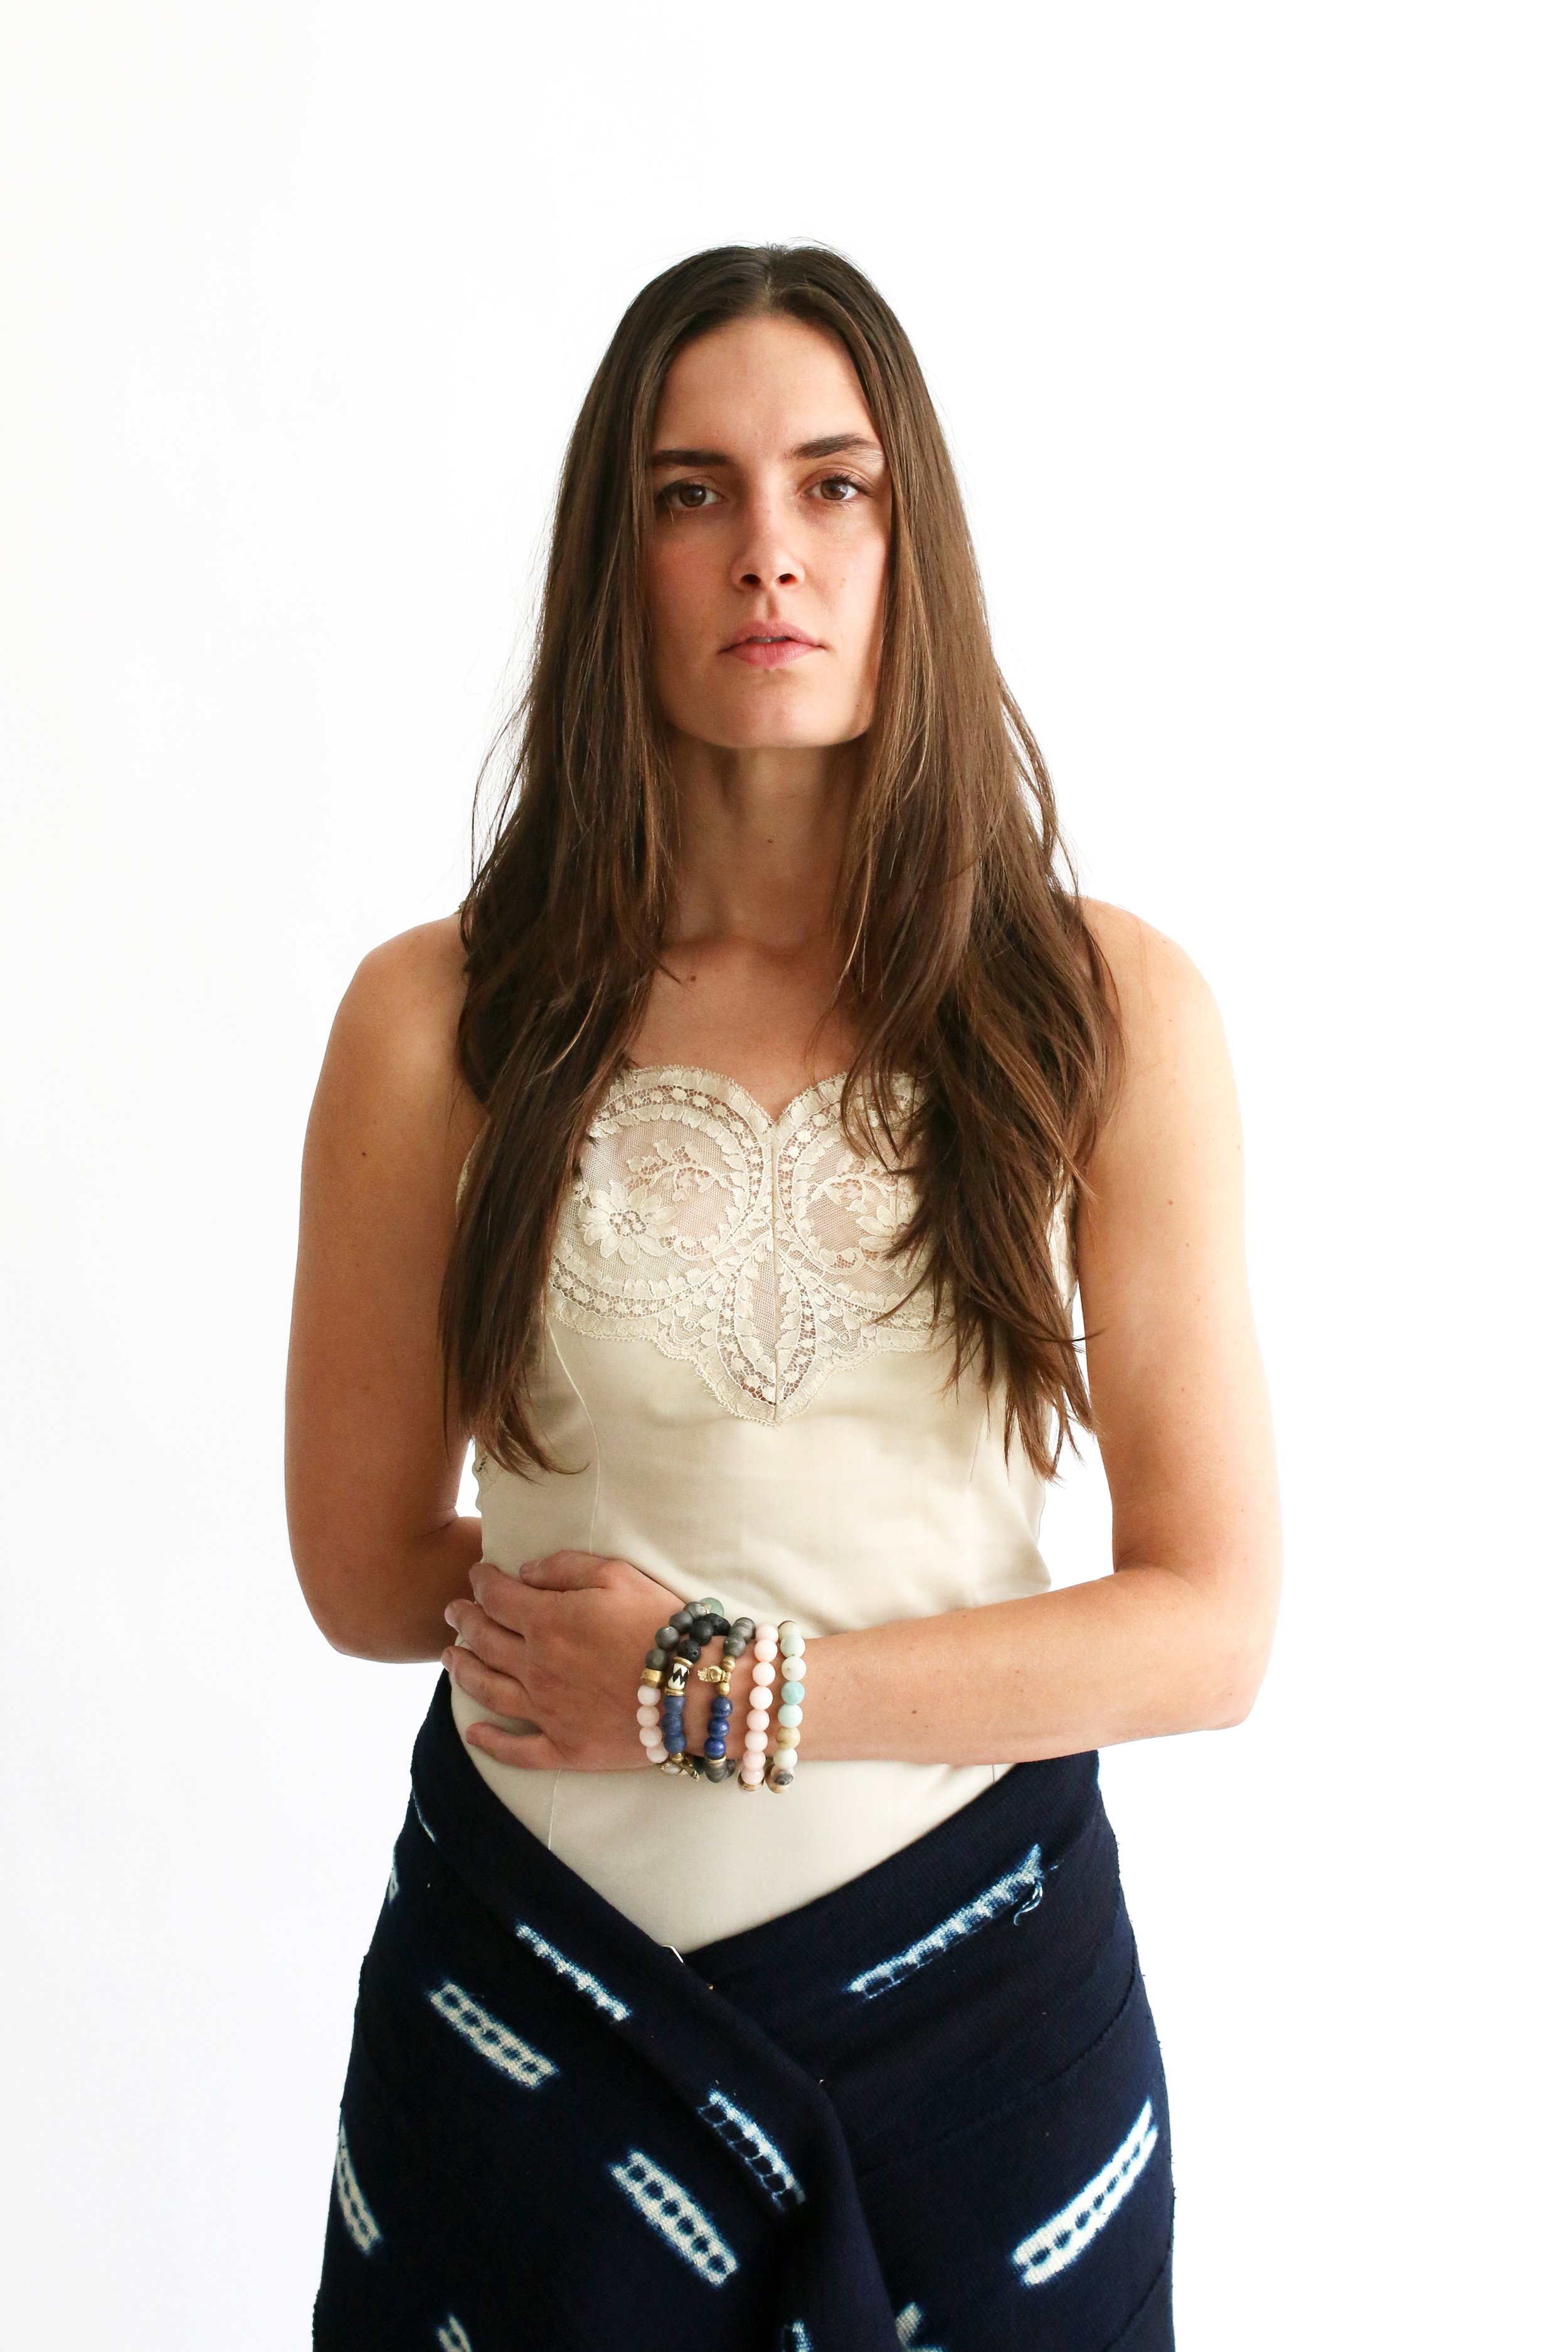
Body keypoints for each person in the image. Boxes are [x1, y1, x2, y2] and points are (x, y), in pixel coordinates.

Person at [287, 243, 1281, 2352]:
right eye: (692, 493)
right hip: (532, 2033)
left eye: (836, 488)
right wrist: (578, 1637)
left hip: (980, 2036)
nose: (770, 554)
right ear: (611, 555)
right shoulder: (435, 1021)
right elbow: (368, 1573)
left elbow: (1209, 1630)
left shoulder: (1097, 1010)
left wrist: (715, 1688)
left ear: (911, 542)